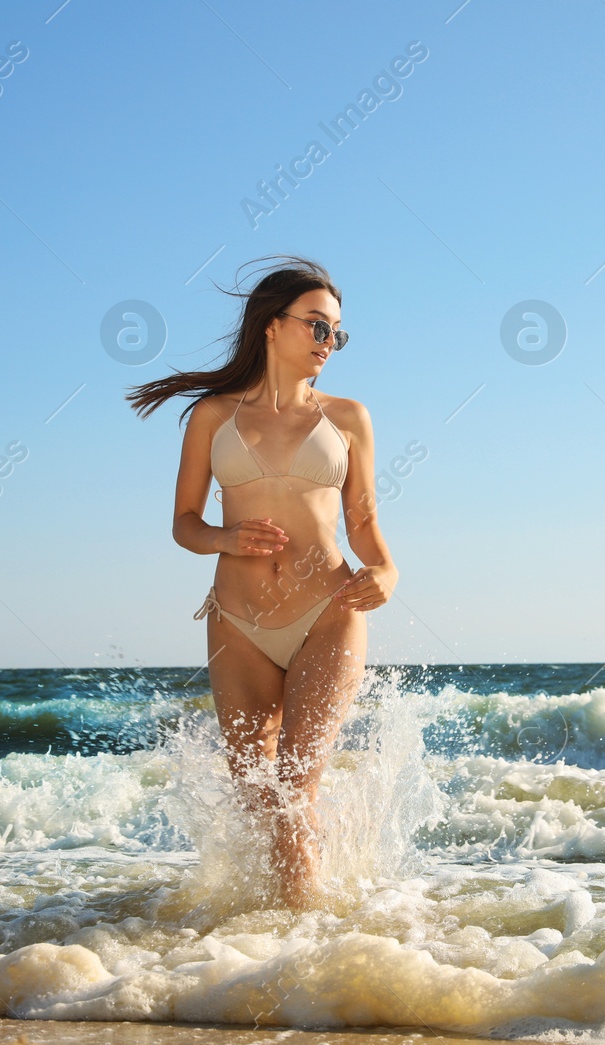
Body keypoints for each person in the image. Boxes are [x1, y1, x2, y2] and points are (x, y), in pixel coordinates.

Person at [127, 256, 398, 908]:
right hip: (237, 623)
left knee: (295, 786)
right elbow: (185, 523)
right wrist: (223, 538)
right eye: (317, 326)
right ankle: (268, 937)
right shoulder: (213, 416)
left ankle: (305, 944)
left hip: (327, 613)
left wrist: (386, 568)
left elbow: (363, 522)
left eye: (336, 332)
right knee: (257, 793)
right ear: (272, 326)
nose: (328, 342)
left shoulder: (350, 417)